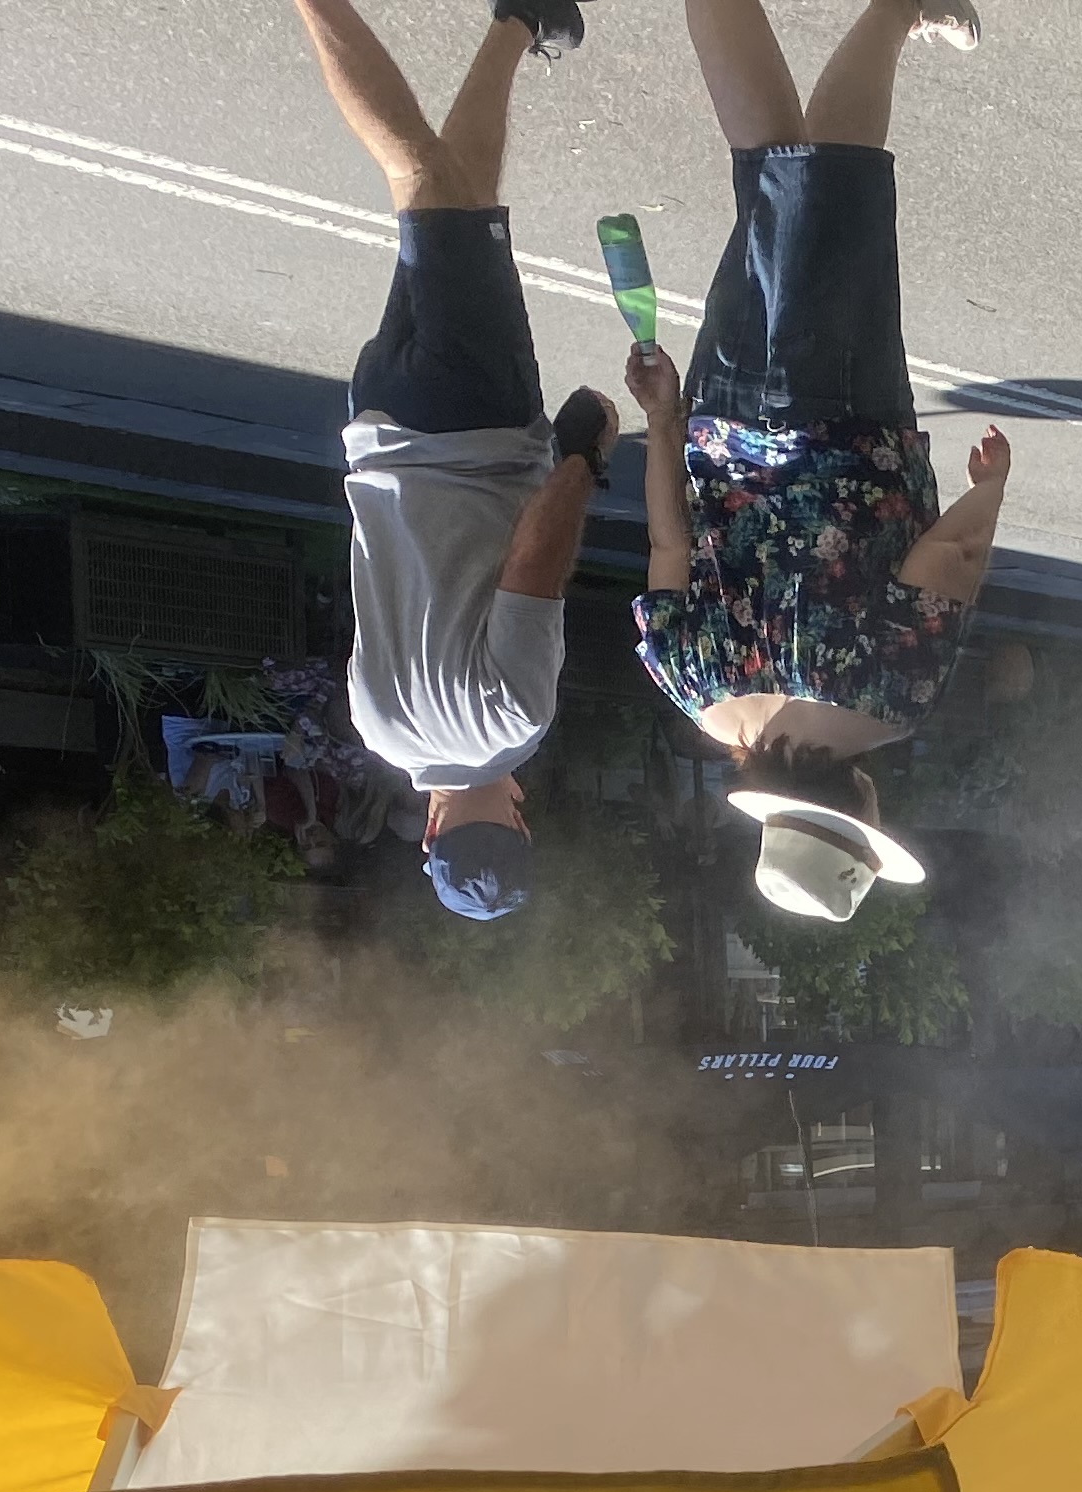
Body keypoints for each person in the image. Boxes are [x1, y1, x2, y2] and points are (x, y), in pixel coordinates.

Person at [622, 0, 1012, 924]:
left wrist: (987, 493)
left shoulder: (886, 701)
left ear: (858, 816)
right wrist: (668, 419)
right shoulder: (697, 698)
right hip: (720, 415)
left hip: (841, 415)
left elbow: (942, 567)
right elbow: (668, 543)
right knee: (774, 181)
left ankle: (894, 9)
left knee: (833, 186)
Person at [292, 0, 618, 921]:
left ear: (520, 827)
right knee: (459, 208)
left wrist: (585, 459)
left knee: (423, 186)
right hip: (380, 429)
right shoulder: (377, 729)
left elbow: (531, 572)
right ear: (430, 832)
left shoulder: (515, 727)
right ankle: (520, 25)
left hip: (474, 421)